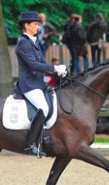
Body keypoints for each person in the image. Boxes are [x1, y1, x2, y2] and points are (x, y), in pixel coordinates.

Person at [14, 12, 67, 157]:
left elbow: (42, 63)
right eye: (35, 24)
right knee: (43, 108)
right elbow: (33, 65)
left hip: (38, 83)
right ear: (26, 25)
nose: (38, 26)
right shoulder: (23, 43)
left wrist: (57, 71)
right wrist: (54, 68)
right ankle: (31, 144)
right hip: (29, 84)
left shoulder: (34, 42)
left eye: (38, 24)